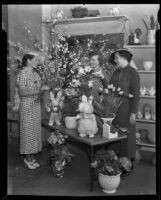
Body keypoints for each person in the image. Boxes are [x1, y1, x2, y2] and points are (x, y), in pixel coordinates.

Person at [109, 49, 140, 173]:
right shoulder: (115, 72)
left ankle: (127, 167)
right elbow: (110, 89)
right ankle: (115, 165)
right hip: (115, 109)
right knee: (115, 135)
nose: (115, 61)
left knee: (127, 137)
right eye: (115, 58)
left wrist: (133, 112)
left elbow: (136, 95)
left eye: (117, 58)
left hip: (127, 109)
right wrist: (102, 79)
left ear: (124, 58)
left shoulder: (133, 73)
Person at [16, 54, 48, 169]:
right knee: (27, 132)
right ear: (28, 61)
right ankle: (27, 159)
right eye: (35, 60)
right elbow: (22, 93)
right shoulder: (22, 74)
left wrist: (41, 92)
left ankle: (32, 157)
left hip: (35, 107)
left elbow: (39, 93)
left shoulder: (36, 74)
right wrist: (39, 91)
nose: (37, 62)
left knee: (34, 132)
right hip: (26, 107)